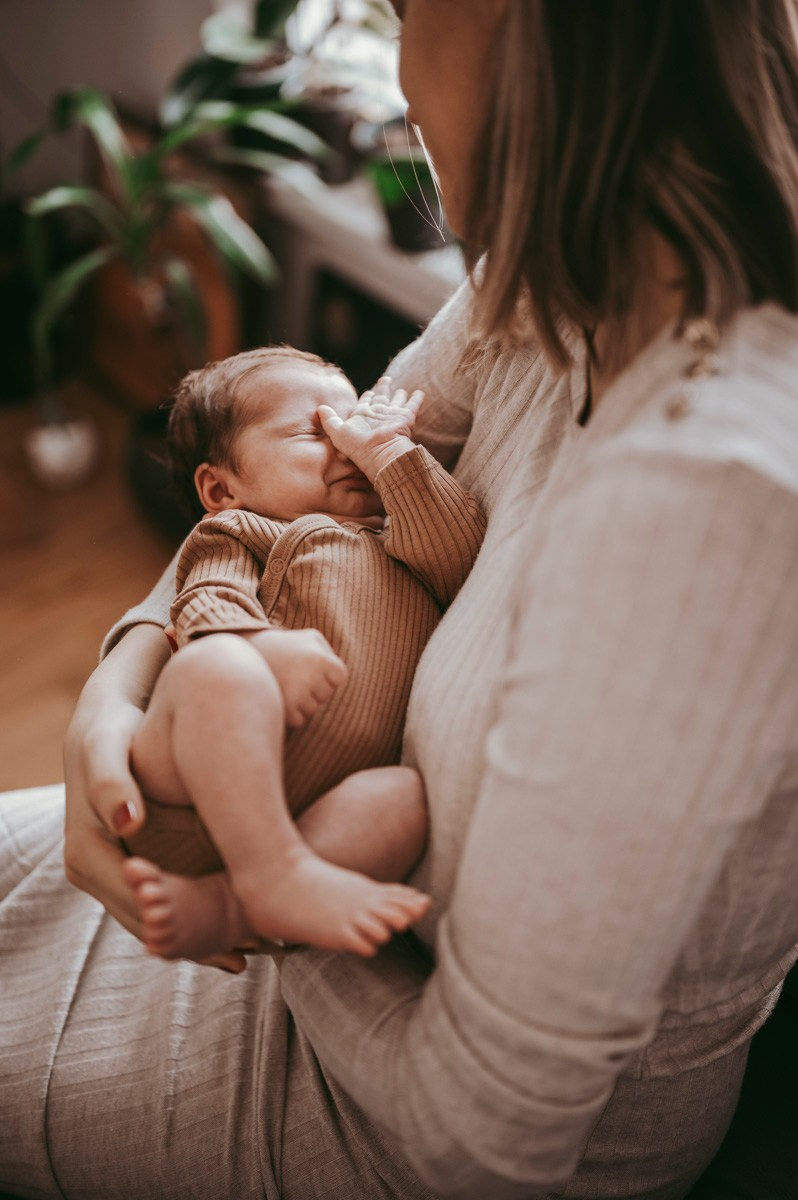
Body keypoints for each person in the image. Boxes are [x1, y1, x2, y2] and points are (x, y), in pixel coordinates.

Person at [2, 2, 797, 1197]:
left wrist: (247, 904)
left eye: (409, 9)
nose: (406, 77)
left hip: (364, 1088)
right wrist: (111, 694)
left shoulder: (708, 501)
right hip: (281, 861)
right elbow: (280, 501)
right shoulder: (546, 285)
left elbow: (476, 1145)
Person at [121, 345, 485, 961]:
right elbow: (206, 599)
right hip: (188, 795)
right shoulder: (241, 532)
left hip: (316, 817)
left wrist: (392, 455)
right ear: (221, 487)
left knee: (403, 800)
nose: (346, 445)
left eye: (355, 425)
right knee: (218, 668)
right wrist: (256, 645)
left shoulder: (400, 543)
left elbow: (463, 555)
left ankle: (236, 902)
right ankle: (274, 870)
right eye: (316, 432)